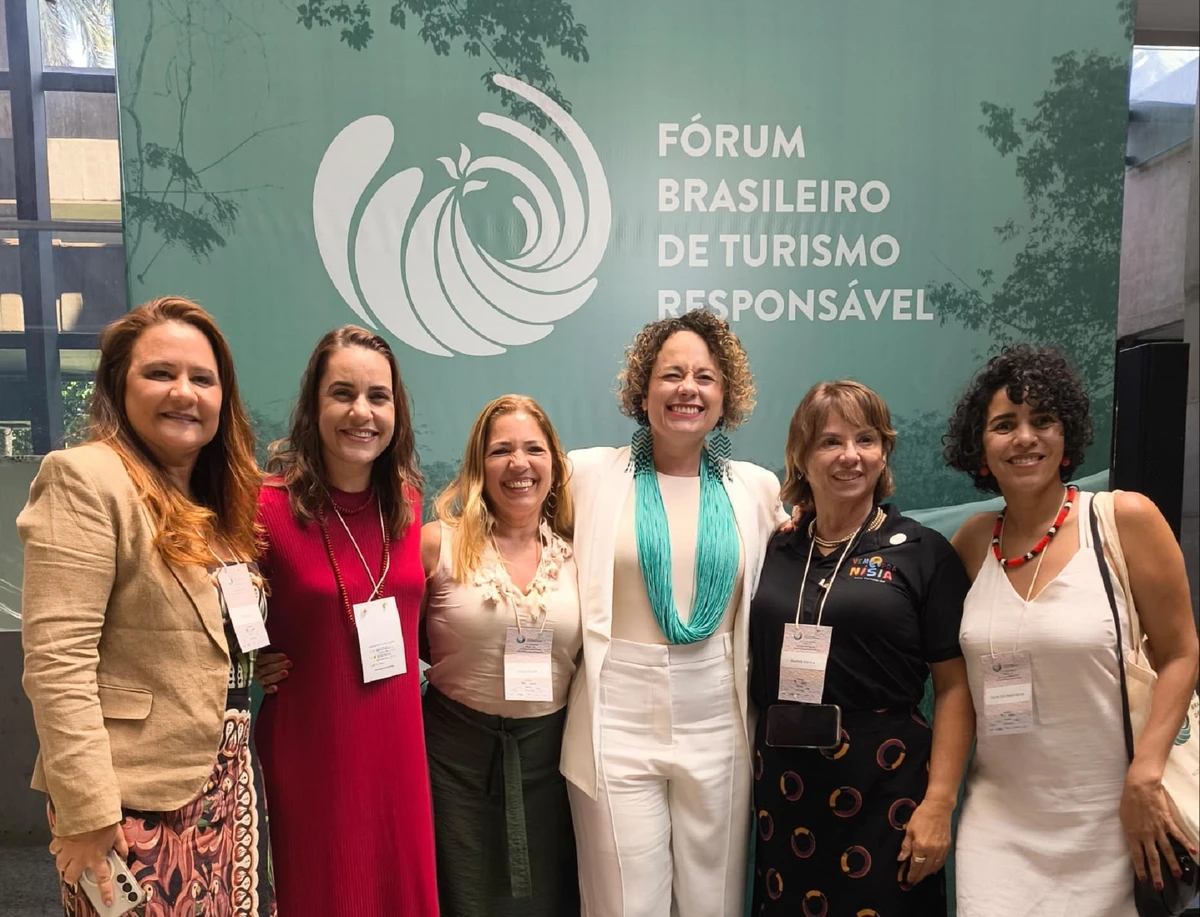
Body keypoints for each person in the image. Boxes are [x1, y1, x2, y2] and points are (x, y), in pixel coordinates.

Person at [19, 296, 273, 916]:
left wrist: (247, 667)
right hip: (131, 800)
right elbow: (57, 663)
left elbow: (198, 632)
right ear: (118, 385)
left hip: (226, 785)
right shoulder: (85, 478)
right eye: (160, 373)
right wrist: (87, 810)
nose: (184, 392)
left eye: (203, 379)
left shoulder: (217, 505)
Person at [945, 344, 1199, 917]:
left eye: (1042, 420)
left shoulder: (1123, 520)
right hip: (999, 823)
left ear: (1066, 436)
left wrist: (1146, 774)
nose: (1025, 438)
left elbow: (1182, 653)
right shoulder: (971, 543)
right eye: (1004, 425)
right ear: (981, 447)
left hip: (1116, 821)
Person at [561, 310, 784, 917]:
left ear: (725, 397)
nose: (688, 388)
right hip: (616, 713)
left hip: (718, 710)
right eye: (671, 374)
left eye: (705, 377)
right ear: (643, 392)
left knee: (714, 900)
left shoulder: (756, 488)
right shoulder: (586, 475)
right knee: (623, 903)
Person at [748, 379, 974, 916]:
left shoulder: (922, 552)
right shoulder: (776, 546)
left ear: (884, 451)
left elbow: (955, 687)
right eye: (830, 441)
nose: (850, 456)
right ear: (801, 456)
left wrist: (939, 803)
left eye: (866, 439)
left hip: (885, 785)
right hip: (785, 786)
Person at [250, 325, 438, 916]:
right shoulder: (266, 506)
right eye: (342, 393)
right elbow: (216, 609)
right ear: (314, 406)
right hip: (312, 749)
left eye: (378, 396)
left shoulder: (407, 504)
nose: (362, 412)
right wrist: (250, 659)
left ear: (396, 411)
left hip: (398, 749)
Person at [420, 394, 581, 916]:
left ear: (554, 463)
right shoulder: (436, 546)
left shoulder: (581, 556)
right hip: (451, 764)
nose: (519, 464)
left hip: (552, 767)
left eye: (533, 449)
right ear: (478, 465)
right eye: (500, 451)